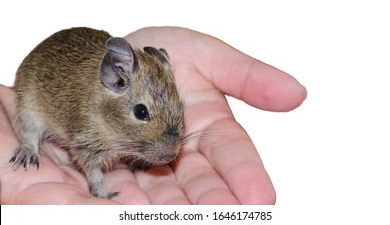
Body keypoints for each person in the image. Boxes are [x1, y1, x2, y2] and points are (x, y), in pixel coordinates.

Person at [0, 27, 306, 204]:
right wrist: (99, 188)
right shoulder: (93, 112)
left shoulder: (149, 80)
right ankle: (29, 144)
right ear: (115, 80)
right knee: (29, 120)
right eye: (142, 113)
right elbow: (86, 153)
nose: (171, 151)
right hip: (38, 82)